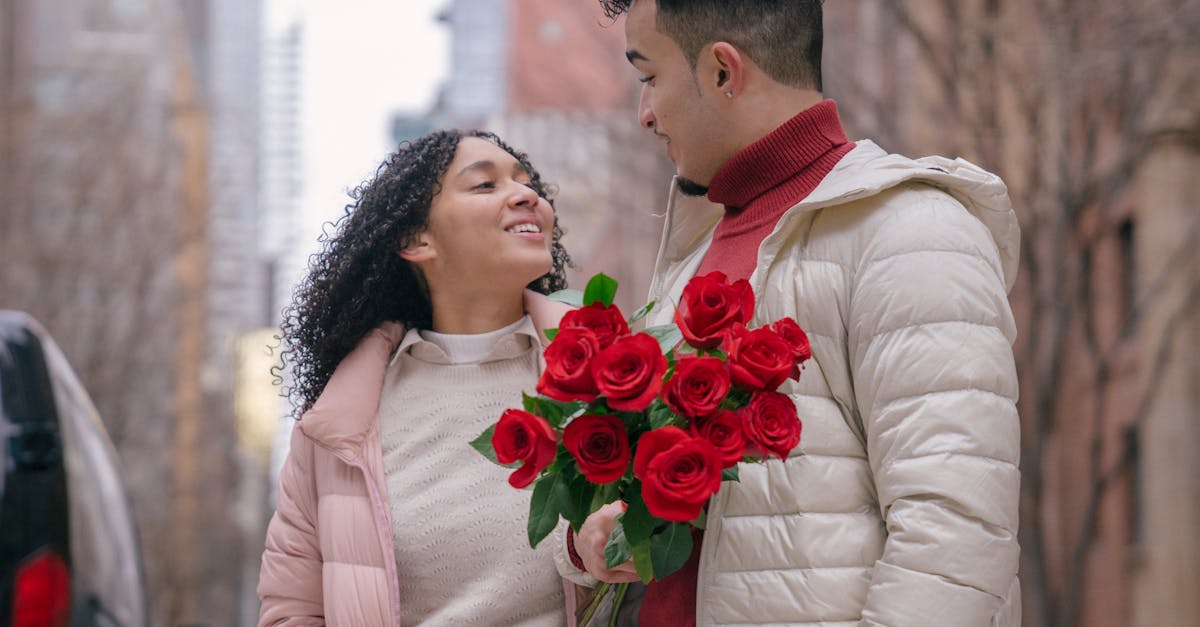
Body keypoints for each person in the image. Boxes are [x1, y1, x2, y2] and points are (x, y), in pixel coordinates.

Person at [560, 2, 1023, 626]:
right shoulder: (695, 253)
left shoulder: (911, 230)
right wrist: (596, 535)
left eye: (648, 77)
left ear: (724, 71)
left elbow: (956, 541)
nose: (643, 113)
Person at [257, 129, 581, 626]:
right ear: (416, 240)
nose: (527, 195)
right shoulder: (335, 427)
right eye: (484, 185)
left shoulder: (606, 374)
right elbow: (292, 610)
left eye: (527, 182)